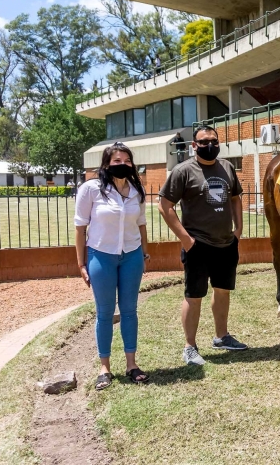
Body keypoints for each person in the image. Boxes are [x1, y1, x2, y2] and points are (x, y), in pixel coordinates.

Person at [158, 125, 248, 366]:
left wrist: (238, 230)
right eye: (204, 141)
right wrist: (186, 240)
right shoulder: (183, 171)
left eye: (214, 141)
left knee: (222, 290)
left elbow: (236, 198)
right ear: (194, 145)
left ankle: (222, 337)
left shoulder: (227, 167)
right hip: (198, 245)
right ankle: (190, 346)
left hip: (226, 243)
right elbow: (164, 206)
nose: (210, 145)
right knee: (194, 295)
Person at [74, 142, 150, 390]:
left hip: (131, 255)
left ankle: (131, 364)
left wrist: (145, 254)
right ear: (106, 164)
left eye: (127, 161)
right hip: (100, 256)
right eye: (117, 161)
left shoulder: (136, 190)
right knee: (105, 313)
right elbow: (80, 227)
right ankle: (104, 368)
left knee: (129, 311)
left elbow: (141, 223)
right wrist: (81, 263)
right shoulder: (91, 189)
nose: (122, 165)